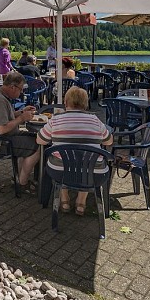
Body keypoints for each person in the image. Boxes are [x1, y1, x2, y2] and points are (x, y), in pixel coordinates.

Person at [37, 86, 112, 215]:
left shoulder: (56, 120)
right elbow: (108, 141)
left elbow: (40, 141)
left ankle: (64, 200)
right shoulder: (96, 121)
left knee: (60, 160)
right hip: (95, 175)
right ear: (85, 104)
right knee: (88, 164)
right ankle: (81, 203)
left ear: (66, 103)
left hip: (60, 172)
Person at [0, 72, 40, 193]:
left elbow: (6, 117)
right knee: (38, 145)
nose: (21, 92)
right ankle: (22, 183)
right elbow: (1, 129)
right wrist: (22, 118)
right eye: (21, 89)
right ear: (12, 87)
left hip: (1, 138)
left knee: (36, 138)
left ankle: (18, 177)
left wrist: (22, 112)